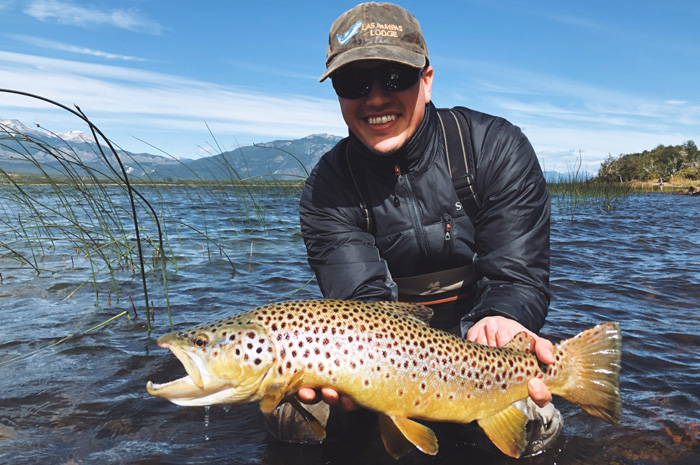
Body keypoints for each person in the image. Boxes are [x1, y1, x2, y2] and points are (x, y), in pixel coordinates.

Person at [267, 2, 561, 457]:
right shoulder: (327, 187)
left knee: (536, 424)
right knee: (292, 415)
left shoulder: (496, 149)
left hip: (480, 351)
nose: (376, 98)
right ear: (338, 93)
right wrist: (357, 380)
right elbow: (361, 303)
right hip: (380, 359)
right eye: (354, 83)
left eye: (395, 78)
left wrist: (505, 315)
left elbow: (519, 277)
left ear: (426, 79)